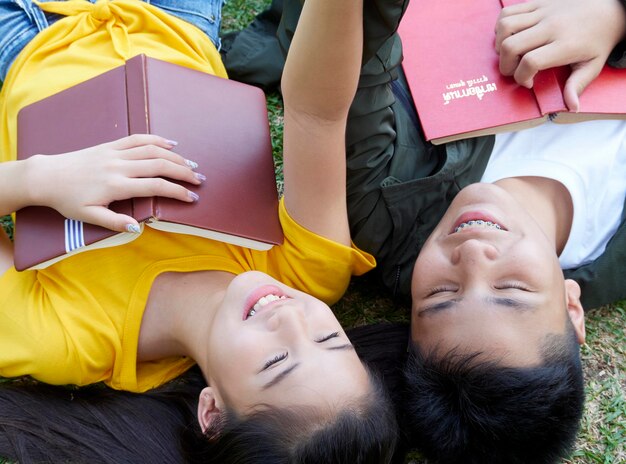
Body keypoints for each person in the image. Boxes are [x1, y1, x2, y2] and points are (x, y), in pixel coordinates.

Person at [223, 0, 626, 462]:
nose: (473, 256)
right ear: (572, 308)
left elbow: (350, 33)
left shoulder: (383, 205)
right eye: (511, 288)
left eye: (441, 295)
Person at [0, 0, 401, 462]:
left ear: (211, 412)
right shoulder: (307, 271)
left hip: (21, 35)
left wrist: (39, 180)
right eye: (331, 339)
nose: (290, 319)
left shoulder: (69, 339)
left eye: (275, 363)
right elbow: (317, 114)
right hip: (176, 16)